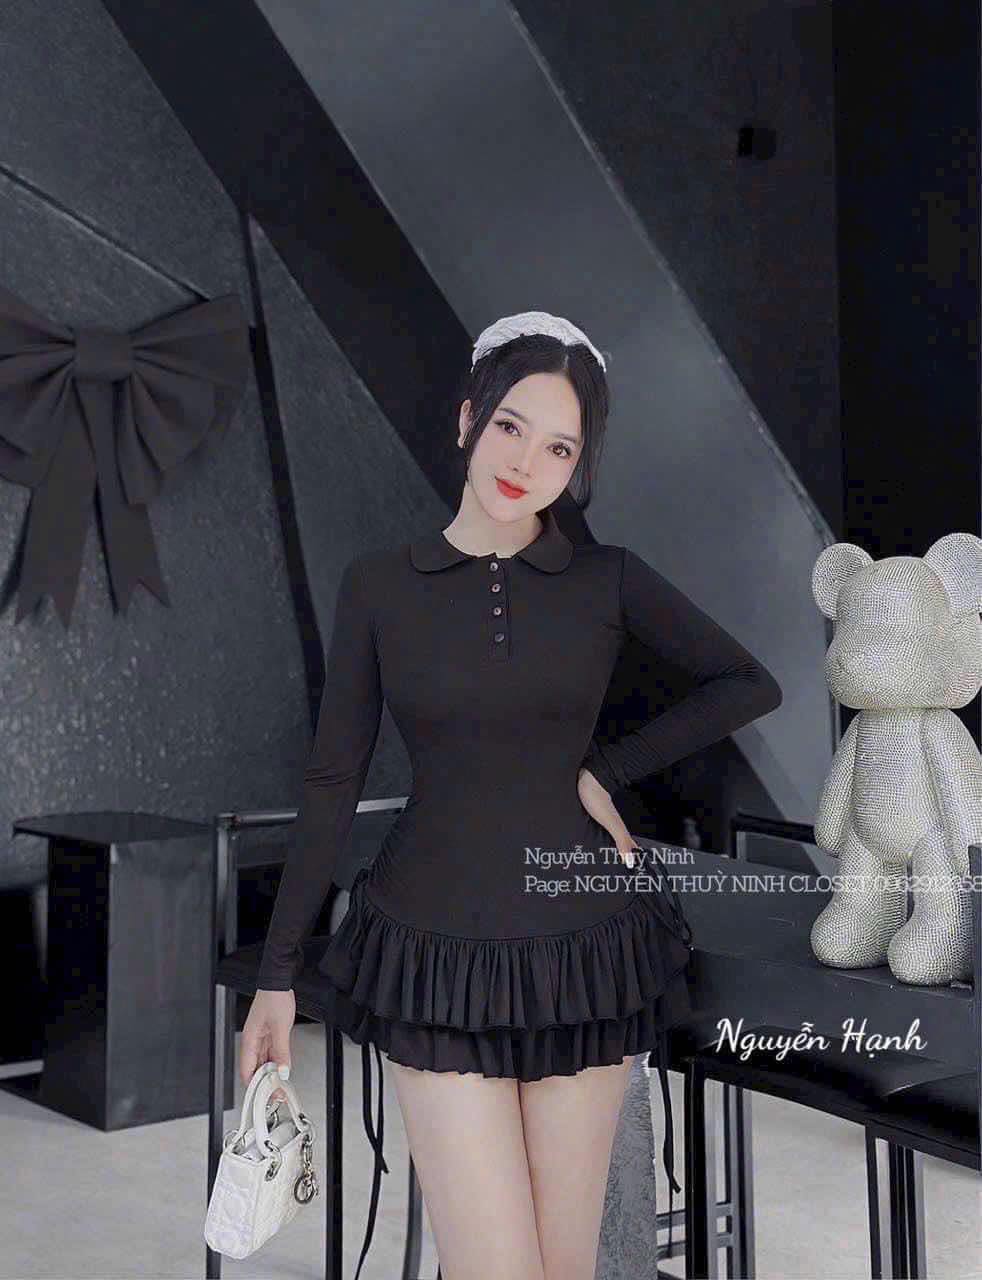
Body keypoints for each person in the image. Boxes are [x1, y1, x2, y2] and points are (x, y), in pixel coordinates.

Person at [239, 311, 783, 1280]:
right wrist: (277, 973)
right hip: (431, 951)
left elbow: (747, 683)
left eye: (560, 446)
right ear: (467, 420)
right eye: (510, 426)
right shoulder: (379, 586)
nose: (527, 461)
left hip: (587, 950)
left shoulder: (607, 580)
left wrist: (604, 770)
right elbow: (333, 777)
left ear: (579, 465)